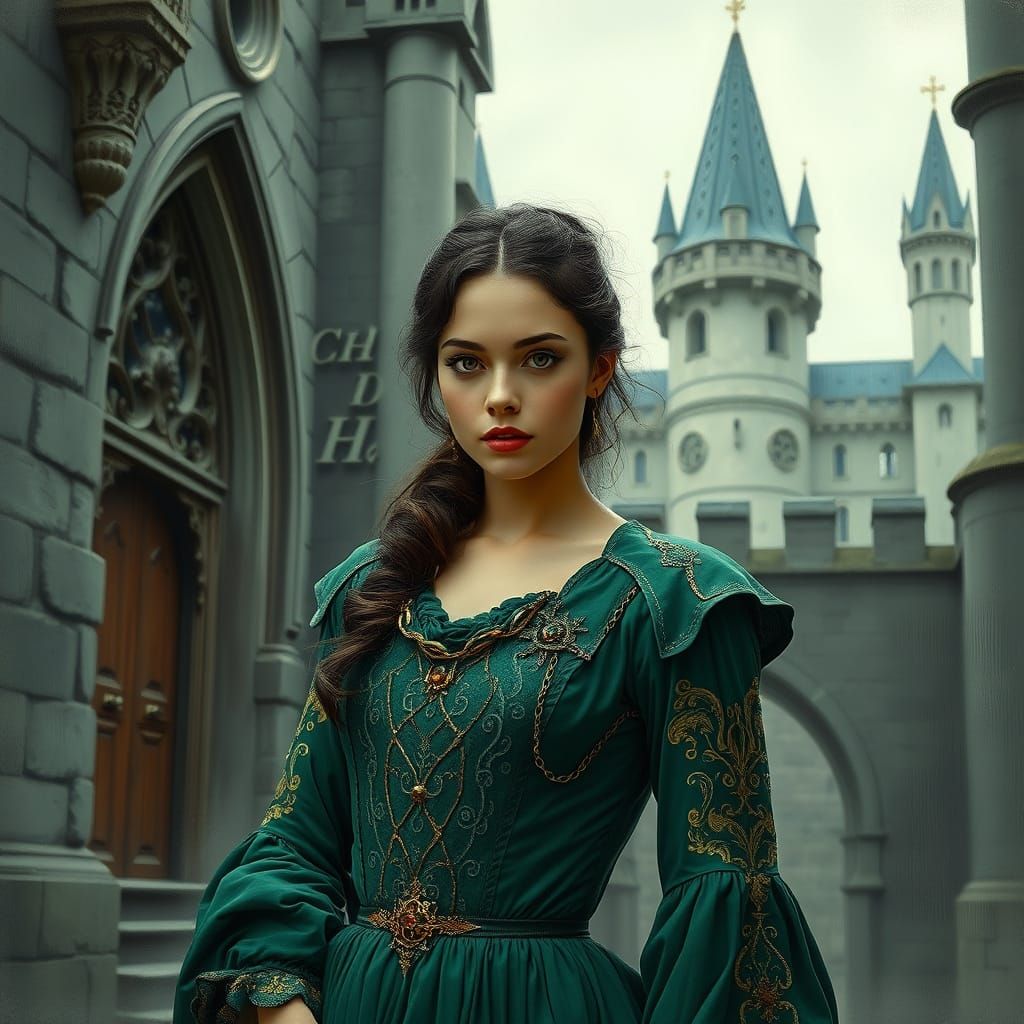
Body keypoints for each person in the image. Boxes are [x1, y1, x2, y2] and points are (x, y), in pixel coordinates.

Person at [173, 203, 840, 1023]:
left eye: (539, 359)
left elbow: (728, 901)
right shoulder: (370, 588)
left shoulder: (677, 605)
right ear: (435, 375)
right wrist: (284, 1011)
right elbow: (295, 842)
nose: (499, 397)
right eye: (465, 363)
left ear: (600, 367)